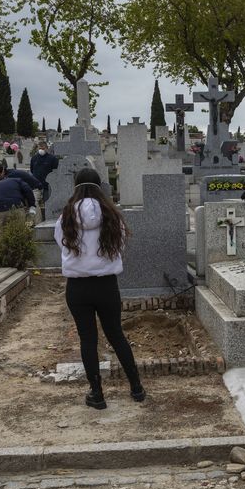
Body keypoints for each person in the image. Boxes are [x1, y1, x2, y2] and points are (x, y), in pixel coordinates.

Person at [53, 168, 146, 410]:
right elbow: (122, 243)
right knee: (116, 335)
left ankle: (97, 393)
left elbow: (60, 243)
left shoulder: (66, 217)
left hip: (78, 287)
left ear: (75, 186)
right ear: (99, 186)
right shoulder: (112, 216)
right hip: (107, 285)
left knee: (88, 339)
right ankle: (136, 388)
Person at [0, 163, 37, 230]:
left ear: (2, 171)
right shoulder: (17, 180)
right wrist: (32, 205)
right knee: (19, 231)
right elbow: (28, 190)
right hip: (16, 207)